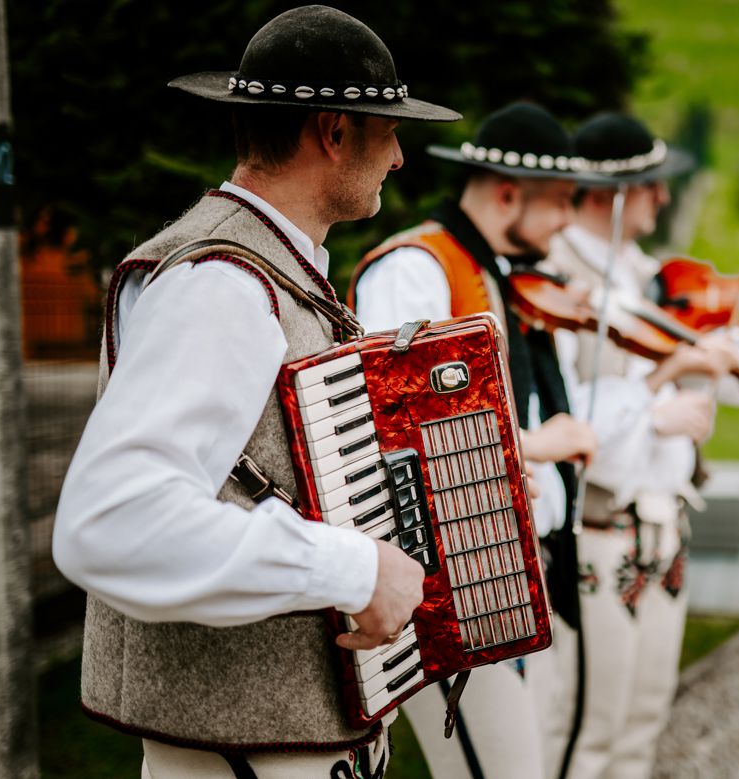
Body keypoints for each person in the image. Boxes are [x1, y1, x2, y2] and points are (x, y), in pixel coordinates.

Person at [51, 7, 461, 778]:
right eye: (389, 130)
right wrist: (353, 568)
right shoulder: (222, 285)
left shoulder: (273, 270)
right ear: (334, 131)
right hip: (239, 758)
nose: (401, 157)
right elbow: (112, 519)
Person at [348, 101, 599, 779]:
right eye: (560, 202)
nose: (569, 220)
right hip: (449, 584)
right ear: (509, 192)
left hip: (502, 570)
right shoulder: (417, 267)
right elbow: (397, 425)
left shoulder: (495, 272)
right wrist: (530, 444)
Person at [539, 112, 739, 779]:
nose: (663, 197)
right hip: (599, 523)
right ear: (610, 194)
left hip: (664, 520)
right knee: (590, 723)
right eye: (652, 185)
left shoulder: (648, 277)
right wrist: (665, 388)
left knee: (647, 714)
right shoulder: (558, 277)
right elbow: (567, 411)